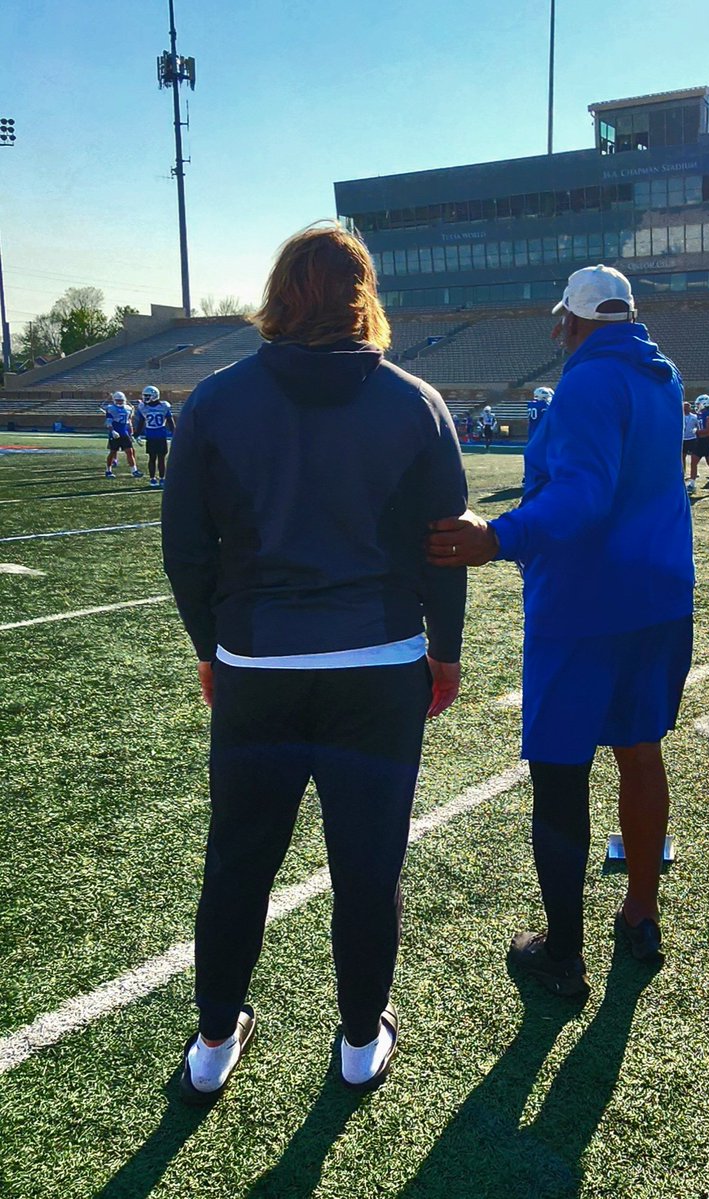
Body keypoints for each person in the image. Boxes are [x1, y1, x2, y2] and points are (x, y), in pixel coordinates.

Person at [161, 222, 467, 1100]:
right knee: (369, 865)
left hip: (258, 664)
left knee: (239, 858)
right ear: (361, 296)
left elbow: (187, 552)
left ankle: (214, 1040)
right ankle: (361, 1040)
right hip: (377, 671)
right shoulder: (415, 402)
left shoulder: (215, 401)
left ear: (280, 292)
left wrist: (212, 649)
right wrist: (443, 652)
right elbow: (443, 547)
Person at [426, 263, 694, 996]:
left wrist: (498, 537)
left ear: (575, 322)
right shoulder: (661, 375)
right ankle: (641, 911)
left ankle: (562, 955)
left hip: (585, 605)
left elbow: (582, 496)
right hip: (661, 593)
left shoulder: (584, 381)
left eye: (561, 322)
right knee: (641, 751)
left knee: (560, 774)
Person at [134, 385, 175, 488]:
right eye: (145, 396)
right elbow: (141, 422)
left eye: (148, 396)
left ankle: (161, 478)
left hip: (160, 436)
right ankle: (153, 478)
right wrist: (136, 434)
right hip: (152, 436)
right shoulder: (144, 407)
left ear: (154, 395)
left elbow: (170, 421)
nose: (145, 398)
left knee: (161, 458)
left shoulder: (164, 406)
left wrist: (175, 433)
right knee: (152, 458)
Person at [100, 390, 142, 479]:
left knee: (130, 452)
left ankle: (134, 471)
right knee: (113, 452)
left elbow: (129, 422)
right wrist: (113, 431)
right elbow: (109, 422)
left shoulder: (128, 408)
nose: (120, 402)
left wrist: (132, 434)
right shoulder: (111, 408)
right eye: (118, 400)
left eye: (121, 400)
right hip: (115, 433)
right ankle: (108, 470)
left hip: (124, 433)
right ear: (114, 400)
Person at [688, 395, 709, 491]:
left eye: (699, 404)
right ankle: (692, 483)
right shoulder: (700, 413)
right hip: (699, 441)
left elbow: (708, 430)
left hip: (707, 441)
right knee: (693, 462)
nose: (697, 406)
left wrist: (696, 431)